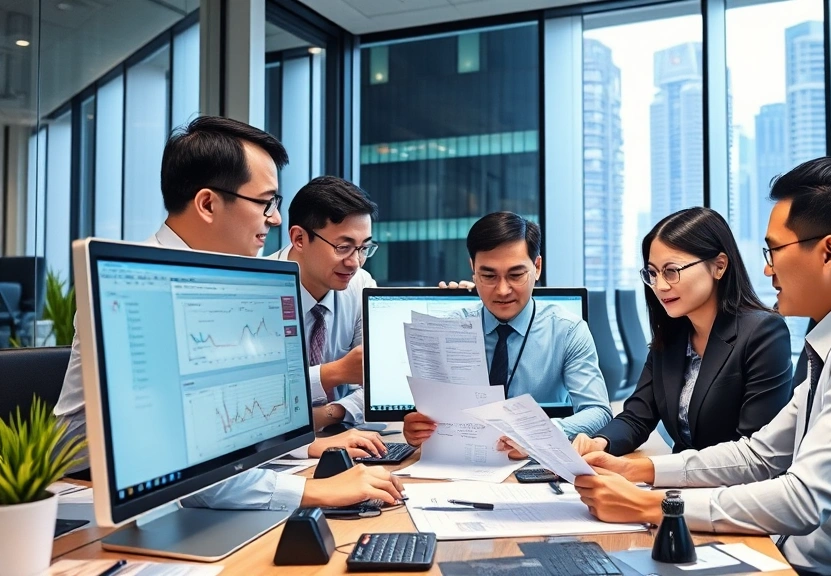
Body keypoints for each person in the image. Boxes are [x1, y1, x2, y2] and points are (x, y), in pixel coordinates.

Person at [574, 157, 831, 576]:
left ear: (829, 252)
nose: (766, 267)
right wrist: (637, 469)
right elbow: (760, 455)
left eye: (774, 249)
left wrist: (649, 503)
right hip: (792, 557)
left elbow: (802, 499)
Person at [54, 116, 402, 509]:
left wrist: (305, 450)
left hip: (201, 493)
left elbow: (231, 432)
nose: (274, 218)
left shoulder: (219, 277)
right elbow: (192, 464)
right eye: (265, 202)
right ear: (207, 203)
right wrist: (315, 491)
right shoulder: (141, 283)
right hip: (104, 496)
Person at [572, 207, 792, 457]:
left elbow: (753, 451)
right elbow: (637, 416)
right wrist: (600, 442)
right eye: (652, 273)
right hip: (681, 487)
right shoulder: (672, 339)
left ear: (719, 266)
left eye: (671, 271)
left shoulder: (763, 333)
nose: (660, 286)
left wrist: (648, 471)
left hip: (735, 490)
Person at [403, 212, 612, 452]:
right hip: (465, 460)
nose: (502, 290)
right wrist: (416, 428)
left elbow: (598, 411)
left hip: (536, 462)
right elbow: (433, 413)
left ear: (537, 267)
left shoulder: (567, 330)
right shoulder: (448, 329)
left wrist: (540, 435)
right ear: (473, 269)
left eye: (515, 275)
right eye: (489, 276)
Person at [268, 176, 377, 430]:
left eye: (363, 248)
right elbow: (260, 396)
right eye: (343, 247)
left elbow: (377, 387)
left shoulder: (360, 284)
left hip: (343, 437)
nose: (355, 262)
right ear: (299, 239)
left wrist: (332, 412)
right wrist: (336, 372)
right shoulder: (259, 290)